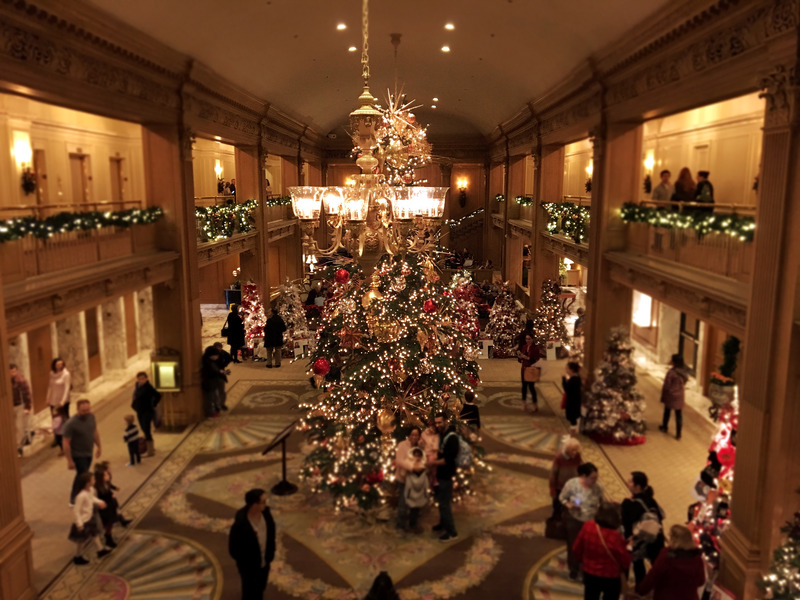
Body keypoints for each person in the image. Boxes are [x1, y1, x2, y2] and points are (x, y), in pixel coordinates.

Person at [572, 503, 631, 600]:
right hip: (610, 577)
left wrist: (582, 562)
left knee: (590, 596)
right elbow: (625, 561)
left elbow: (576, 548)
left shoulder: (588, 526)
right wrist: (629, 547)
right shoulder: (615, 536)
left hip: (589, 572)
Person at [559, 462, 605, 580]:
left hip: (590, 522)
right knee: (574, 545)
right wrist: (569, 505)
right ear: (583, 476)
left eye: (596, 477)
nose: (595, 480)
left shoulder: (598, 488)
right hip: (574, 520)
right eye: (592, 478)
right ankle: (573, 568)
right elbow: (562, 498)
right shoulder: (572, 484)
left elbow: (601, 503)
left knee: (589, 547)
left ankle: (586, 570)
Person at [229, 488, 276, 600]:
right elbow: (233, 549)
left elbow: (271, 534)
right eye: (263, 502)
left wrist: (270, 553)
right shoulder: (241, 524)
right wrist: (245, 563)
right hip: (249, 567)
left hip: (264, 562)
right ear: (254, 505)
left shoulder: (266, 515)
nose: (265, 504)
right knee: (249, 591)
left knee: (260, 587)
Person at [636, 524, 706, 599]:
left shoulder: (666, 557)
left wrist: (641, 590)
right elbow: (701, 581)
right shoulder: (697, 557)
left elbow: (653, 576)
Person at [621, 471, 665, 584]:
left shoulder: (629, 503)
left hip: (638, 541)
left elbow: (626, 523)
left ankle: (640, 589)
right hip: (655, 538)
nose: (627, 482)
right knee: (656, 566)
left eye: (630, 481)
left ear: (638, 486)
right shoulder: (650, 499)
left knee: (638, 567)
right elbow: (661, 515)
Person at [63, 399, 102, 505]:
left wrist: (99, 446)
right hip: (77, 454)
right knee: (82, 475)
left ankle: (82, 495)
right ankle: (74, 498)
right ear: (77, 409)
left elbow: (94, 431)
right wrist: (69, 460)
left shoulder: (91, 417)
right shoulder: (71, 424)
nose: (86, 412)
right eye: (83, 410)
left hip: (88, 452)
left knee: (82, 475)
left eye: (88, 409)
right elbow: (66, 443)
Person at [68, 472, 111, 565]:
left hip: (90, 518)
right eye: (93, 479)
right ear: (87, 483)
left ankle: (100, 550)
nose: (94, 480)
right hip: (83, 521)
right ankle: (78, 556)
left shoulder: (91, 490)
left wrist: (100, 502)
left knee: (95, 534)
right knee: (81, 541)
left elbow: (91, 499)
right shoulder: (81, 496)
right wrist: (79, 523)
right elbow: (76, 511)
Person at [431, 412, 459, 543]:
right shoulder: (443, 434)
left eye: (439, 422)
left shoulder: (452, 439)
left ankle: (451, 531)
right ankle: (442, 524)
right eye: (436, 423)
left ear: (446, 421)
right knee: (441, 502)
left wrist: (430, 463)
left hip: (446, 475)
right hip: (440, 474)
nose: (437, 425)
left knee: (444, 504)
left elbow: (446, 460)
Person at [395, 427, 422, 532]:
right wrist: (413, 467)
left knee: (415, 503)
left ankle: (413, 524)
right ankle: (400, 525)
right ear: (409, 435)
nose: (414, 437)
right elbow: (399, 461)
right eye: (412, 434)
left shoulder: (420, 447)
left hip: (416, 480)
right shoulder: (402, 445)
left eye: (417, 435)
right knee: (403, 503)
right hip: (404, 479)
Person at [549, 437, 583, 518]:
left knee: (569, 504)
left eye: (576, 450)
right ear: (567, 449)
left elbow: (581, 468)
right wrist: (552, 488)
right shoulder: (559, 457)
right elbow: (553, 474)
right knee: (557, 504)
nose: (575, 452)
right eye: (573, 450)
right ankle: (555, 517)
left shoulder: (577, 456)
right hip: (560, 487)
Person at [659, 354, 688, 440]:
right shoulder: (684, 372)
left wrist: (664, 394)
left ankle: (664, 427)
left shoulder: (671, 373)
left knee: (667, 411)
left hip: (671, 395)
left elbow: (666, 385)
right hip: (680, 394)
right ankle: (678, 434)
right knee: (678, 414)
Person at [131, 371, 161, 456]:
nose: (141, 380)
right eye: (139, 379)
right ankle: (150, 445)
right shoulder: (137, 386)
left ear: (146, 378)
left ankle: (150, 451)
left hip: (147, 411)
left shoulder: (149, 388)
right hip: (140, 411)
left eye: (143, 379)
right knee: (143, 428)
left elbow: (158, 395)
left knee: (146, 429)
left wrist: (153, 404)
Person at [403, 447, 429, 531]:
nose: (417, 457)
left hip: (419, 492)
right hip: (412, 492)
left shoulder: (423, 466)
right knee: (412, 510)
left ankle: (413, 524)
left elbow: (425, 481)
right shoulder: (409, 466)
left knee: (416, 510)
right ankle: (411, 524)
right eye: (415, 455)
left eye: (419, 455)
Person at [10, 363, 32, 458]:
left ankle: (19, 448)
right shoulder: (6, 382)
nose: (13, 373)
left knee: (20, 427)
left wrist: (27, 407)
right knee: (12, 428)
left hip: (19, 405)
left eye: (14, 371)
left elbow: (27, 394)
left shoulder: (20, 380)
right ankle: (13, 447)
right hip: (10, 406)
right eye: (11, 371)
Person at [518, 332, 541, 413]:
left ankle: (535, 404)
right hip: (524, 369)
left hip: (531, 369)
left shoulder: (535, 348)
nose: (527, 340)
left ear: (532, 339)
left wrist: (526, 358)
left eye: (529, 339)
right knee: (524, 386)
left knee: (531, 387)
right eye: (526, 339)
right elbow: (521, 360)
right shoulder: (524, 347)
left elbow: (535, 359)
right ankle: (524, 403)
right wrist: (520, 357)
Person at [201, 346, 226, 417]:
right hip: (209, 383)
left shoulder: (210, 361)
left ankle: (214, 411)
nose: (217, 357)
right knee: (210, 399)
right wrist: (219, 372)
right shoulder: (207, 363)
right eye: (216, 355)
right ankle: (210, 413)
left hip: (212, 382)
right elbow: (210, 372)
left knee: (214, 397)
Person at [562, 361, 582, 429]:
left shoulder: (573, 380)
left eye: (567, 369)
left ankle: (572, 436)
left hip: (572, 403)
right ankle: (572, 435)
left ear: (572, 370)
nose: (566, 370)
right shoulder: (576, 378)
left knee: (572, 419)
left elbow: (566, 388)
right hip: (574, 401)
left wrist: (563, 379)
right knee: (572, 419)